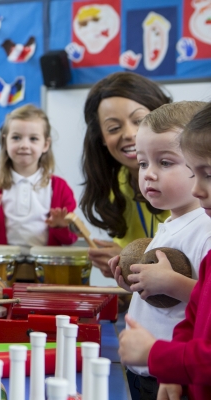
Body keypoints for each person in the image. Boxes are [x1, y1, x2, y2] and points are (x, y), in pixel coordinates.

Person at [108, 101, 210, 400]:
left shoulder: (205, 229)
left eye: (165, 163)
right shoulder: (170, 222)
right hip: (152, 368)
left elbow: (204, 302)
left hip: (176, 372)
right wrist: (138, 283)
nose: (148, 174)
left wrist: (171, 283)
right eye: (142, 163)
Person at [81, 72, 172, 276]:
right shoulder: (116, 185)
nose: (129, 134)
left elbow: (195, 266)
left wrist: (130, 259)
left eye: (139, 120)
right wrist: (121, 273)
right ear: (102, 139)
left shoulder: (190, 180)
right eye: (113, 128)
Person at [0, 104, 78, 248]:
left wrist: (60, 226)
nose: (24, 145)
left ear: (45, 144)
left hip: (45, 268)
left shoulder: (60, 188)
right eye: (16, 137)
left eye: (33, 139)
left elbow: (71, 239)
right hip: (4, 269)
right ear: (5, 142)